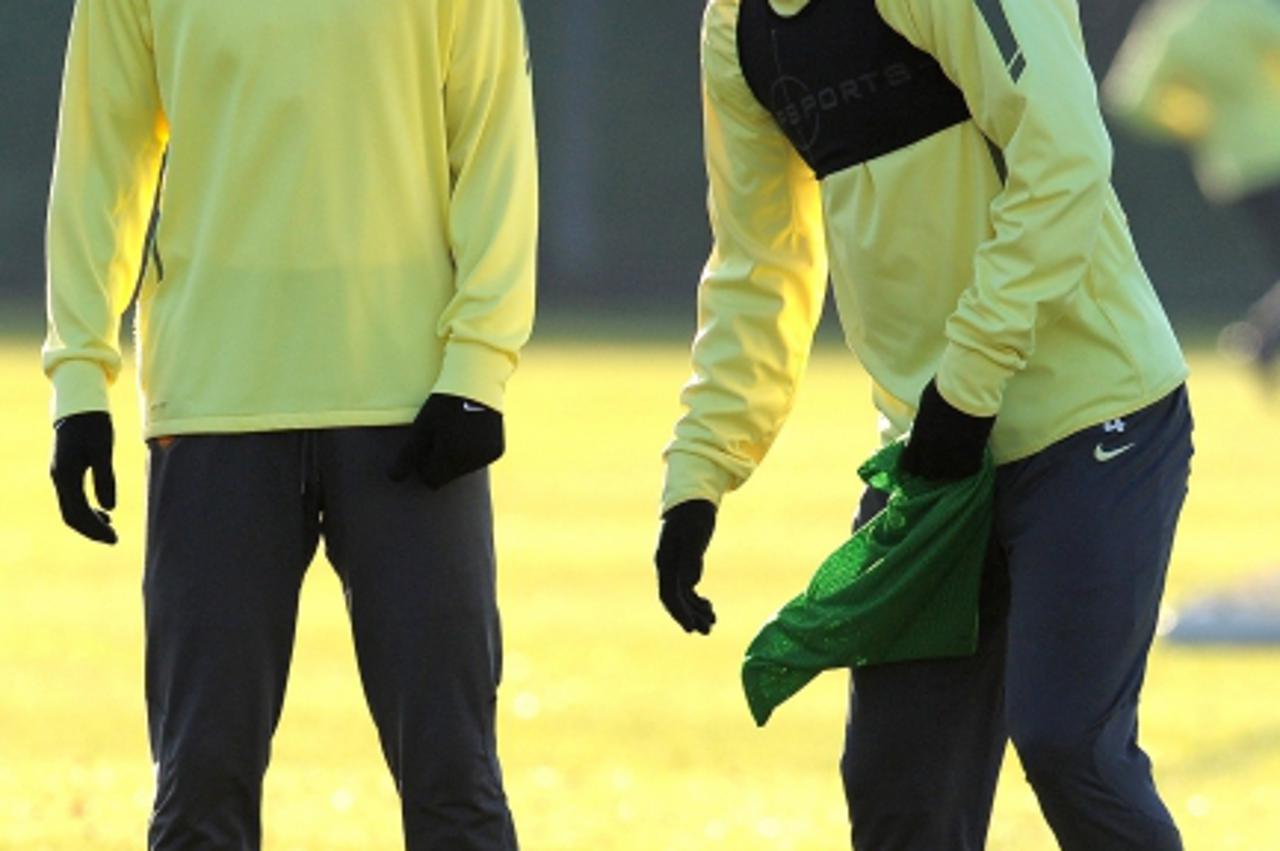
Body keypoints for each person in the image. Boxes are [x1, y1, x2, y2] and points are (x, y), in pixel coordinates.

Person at [653, 1, 1191, 848]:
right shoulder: (738, 31)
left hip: (1096, 418)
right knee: (900, 787)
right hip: (936, 462)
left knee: (1069, 745)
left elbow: (1067, 155)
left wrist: (967, 382)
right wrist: (698, 473)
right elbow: (761, 264)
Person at [43, 0, 536, 847]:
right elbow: (101, 158)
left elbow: (494, 139)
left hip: (413, 407)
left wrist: (478, 369)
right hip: (213, 409)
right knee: (200, 793)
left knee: (455, 787)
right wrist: (80, 377)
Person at [1104, 0, 1280, 375]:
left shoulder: (1171, 23)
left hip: (1229, 166)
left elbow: (1129, 98)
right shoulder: (1246, 9)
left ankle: (1262, 338)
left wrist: (1191, 121)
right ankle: (1261, 339)